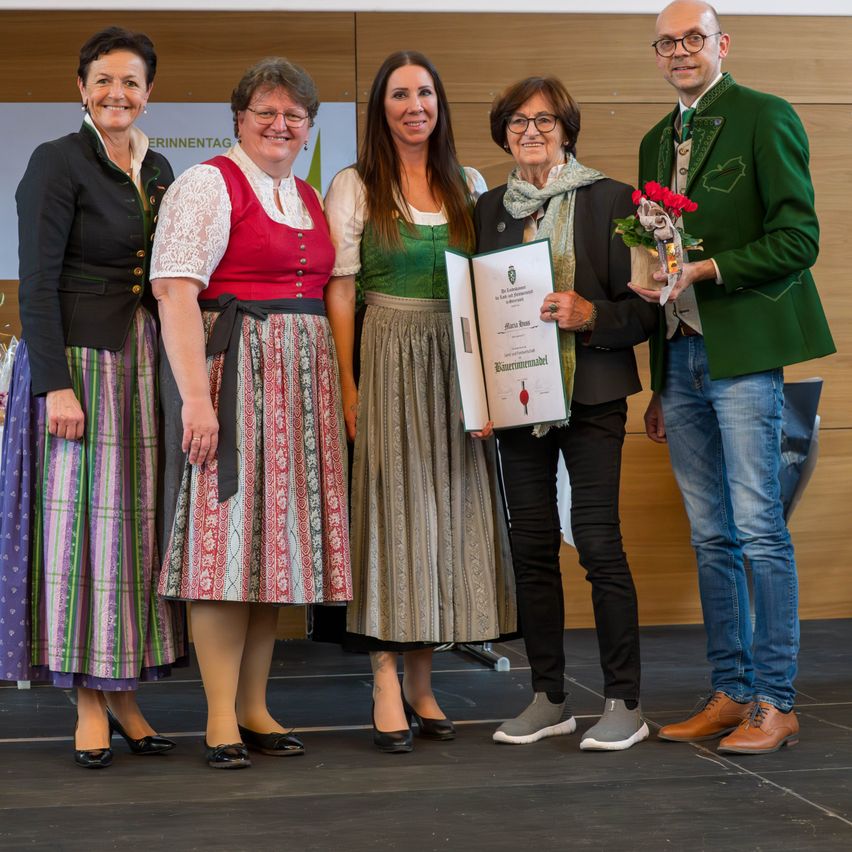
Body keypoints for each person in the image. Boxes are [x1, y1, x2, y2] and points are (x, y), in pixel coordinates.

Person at [632, 1, 835, 754]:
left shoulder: (764, 115)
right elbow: (657, 260)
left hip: (744, 350)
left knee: (756, 528)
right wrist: (658, 380)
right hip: (681, 355)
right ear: (656, 54)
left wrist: (710, 267)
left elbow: (799, 236)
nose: (680, 51)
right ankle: (731, 690)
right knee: (711, 533)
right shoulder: (658, 138)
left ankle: (776, 703)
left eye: (693, 38)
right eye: (667, 42)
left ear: (723, 44)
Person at [151, 57, 351, 770]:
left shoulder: (302, 193)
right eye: (265, 111)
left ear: (309, 127)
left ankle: (255, 705)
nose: (280, 124)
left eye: (294, 115)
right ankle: (216, 718)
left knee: (273, 553)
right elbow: (175, 292)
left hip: (302, 388)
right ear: (237, 118)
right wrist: (198, 400)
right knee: (224, 548)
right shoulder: (210, 183)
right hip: (235, 377)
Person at [0, 27, 186, 768]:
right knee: (79, 541)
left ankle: (124, 693)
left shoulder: (161, 166)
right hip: (76, 368)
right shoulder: (56, 162)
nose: (118, 94)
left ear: (148, 93)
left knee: (133, 538)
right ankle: (86, 699)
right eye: (104, 80)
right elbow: (35, 284)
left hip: (138, 367)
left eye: (131, 82)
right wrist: (53, 385)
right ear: (81, 89)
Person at [323, 50, 515, 754]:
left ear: (440, 104)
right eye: (399, 94)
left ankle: (423, 683)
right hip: (389, 351)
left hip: (457, 360)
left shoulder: (468, 181)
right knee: (390, 517)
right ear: (381, 108)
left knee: (446, 518)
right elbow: (341, 289)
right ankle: (383, 682)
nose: (414, 106)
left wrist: (495, 381)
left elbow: (492, 287)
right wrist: (349, 383)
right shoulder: (355, 184)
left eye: (425, 93)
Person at [475, 76, 658, 751]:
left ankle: (624, 701)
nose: (531, 131)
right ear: (502, 133)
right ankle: (549, 696)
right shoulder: (488, 209)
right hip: (518, 404)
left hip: (592, 398)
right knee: (531, 548)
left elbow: (646, 310)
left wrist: (590, 316)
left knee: (599, 543)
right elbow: (473, 312)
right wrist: (480, 399)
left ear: (567, 130)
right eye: (518, 121)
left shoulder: (615, 201)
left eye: (545, 120)